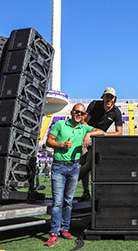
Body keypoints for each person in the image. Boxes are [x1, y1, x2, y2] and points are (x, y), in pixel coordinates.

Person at [44, 103, 105, 247]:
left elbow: (101, 131)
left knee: (68, 201)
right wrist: (62, 145)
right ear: (72, 112)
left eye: (82, 113)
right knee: (57, 202)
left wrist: (88, 134)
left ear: (84, 116)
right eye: (77, 112)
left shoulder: (83, 128)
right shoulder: (60, 124)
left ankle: (65, 229)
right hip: (59, 166)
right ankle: (54, 232)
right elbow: (48, 142)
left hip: (74, 167)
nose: (79, 114)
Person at [78, 87, 123, 201]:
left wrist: (103, 134)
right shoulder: (94, 104)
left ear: (114, 99)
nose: (109, 99)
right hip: (86, 136)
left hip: (100, 140)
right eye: (107, 96)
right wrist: (92, 132)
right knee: (84, 163)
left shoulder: (116, 112)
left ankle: (72, 182)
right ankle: (86, 192)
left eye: (111, 97)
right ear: (103, 97)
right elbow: (83, 121)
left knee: (89, 165)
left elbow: (120, 133)